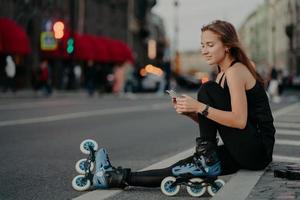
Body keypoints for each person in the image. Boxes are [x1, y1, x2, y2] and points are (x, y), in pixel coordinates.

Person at [89, 20, 275, 190]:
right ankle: (115, 177)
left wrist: (200, 107)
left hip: (258, 149)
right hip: (247, 148)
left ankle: (205, 157)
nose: (204, 50)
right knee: (178, 170)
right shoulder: (221, 75)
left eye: (210, 45)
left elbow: (239, 121)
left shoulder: (236, 71)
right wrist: (191, 112)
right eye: (202, 45)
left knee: (206, 90)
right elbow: (218, 122)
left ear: (227, 46)